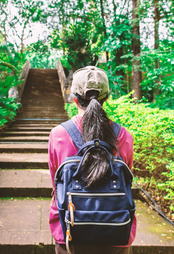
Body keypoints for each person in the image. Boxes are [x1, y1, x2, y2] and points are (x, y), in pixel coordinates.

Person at [48, 66, 136, 254]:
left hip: (70, 232)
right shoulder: (124, 136)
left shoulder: (58, 135)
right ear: (106, 98)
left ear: (74, 99)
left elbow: (56, 185)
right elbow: (128, 180)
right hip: (117, 232)